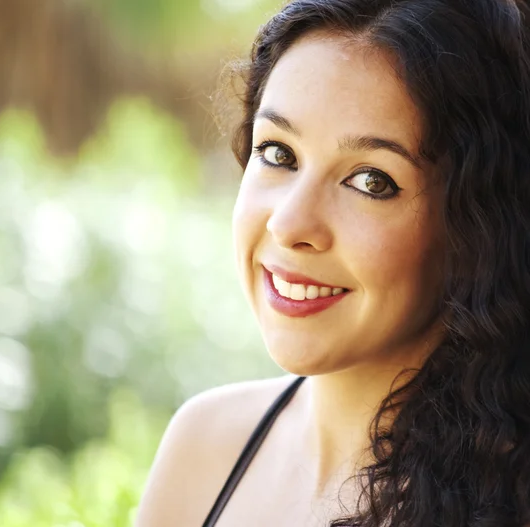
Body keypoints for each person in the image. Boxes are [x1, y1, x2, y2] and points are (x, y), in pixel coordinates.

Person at [136, 0, 530, 525]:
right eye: (278, 153)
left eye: (371, 180)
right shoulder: (205, 448)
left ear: (476, 226)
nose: (290, 224)